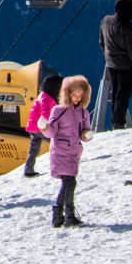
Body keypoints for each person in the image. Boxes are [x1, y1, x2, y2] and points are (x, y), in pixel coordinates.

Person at [46, 75, 93, 227]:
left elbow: (84, 131)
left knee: (68, 183)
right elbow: (51, 132)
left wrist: (86, 135)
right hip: (60, 151)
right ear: (68, 94)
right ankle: (68, 214)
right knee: (70, 182)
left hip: (73, 152)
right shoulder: (59, 110)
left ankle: (59, 215)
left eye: (80, 95)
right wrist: (45, 128)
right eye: (75, 95)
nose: (78, 98)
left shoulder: (83, 112)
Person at [97, 0, 132, 130]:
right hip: (127, 67)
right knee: (123, 96)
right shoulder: (128, 29)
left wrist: (108, 56)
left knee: (116, 93)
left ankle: (116, 121)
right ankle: (118, 123)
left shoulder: (105, 21)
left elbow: (102, 43)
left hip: (111, 64)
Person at [23, 66, 61, 177]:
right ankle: (59, 165)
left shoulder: (43, 95)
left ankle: (28, 170)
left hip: (33, 127)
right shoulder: (47, 98)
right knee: (57, 142)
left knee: (33, 149)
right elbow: (46, 114)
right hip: (40, 127)